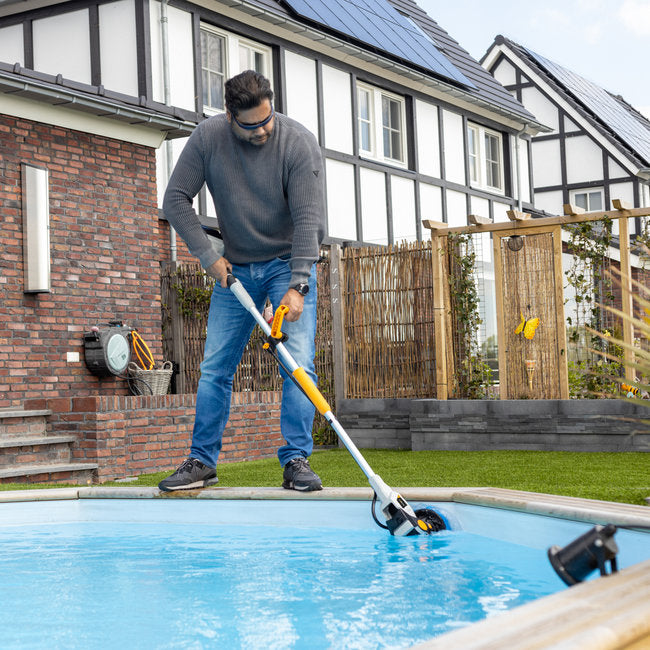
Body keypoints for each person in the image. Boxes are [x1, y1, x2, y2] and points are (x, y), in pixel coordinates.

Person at [159, 70, 326, 492]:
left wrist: (299, 284)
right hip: (234, 271)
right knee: (215, 368)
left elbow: (310, 221)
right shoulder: (208, 138)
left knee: (297, 364)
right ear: (230, 117)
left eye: (267, 119)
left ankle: (296, 461)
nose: (262, 130)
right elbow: (175, 199)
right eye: (250, 125)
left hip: (287, 264)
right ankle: (202, 462)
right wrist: (207, 255)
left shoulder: (298, 143)